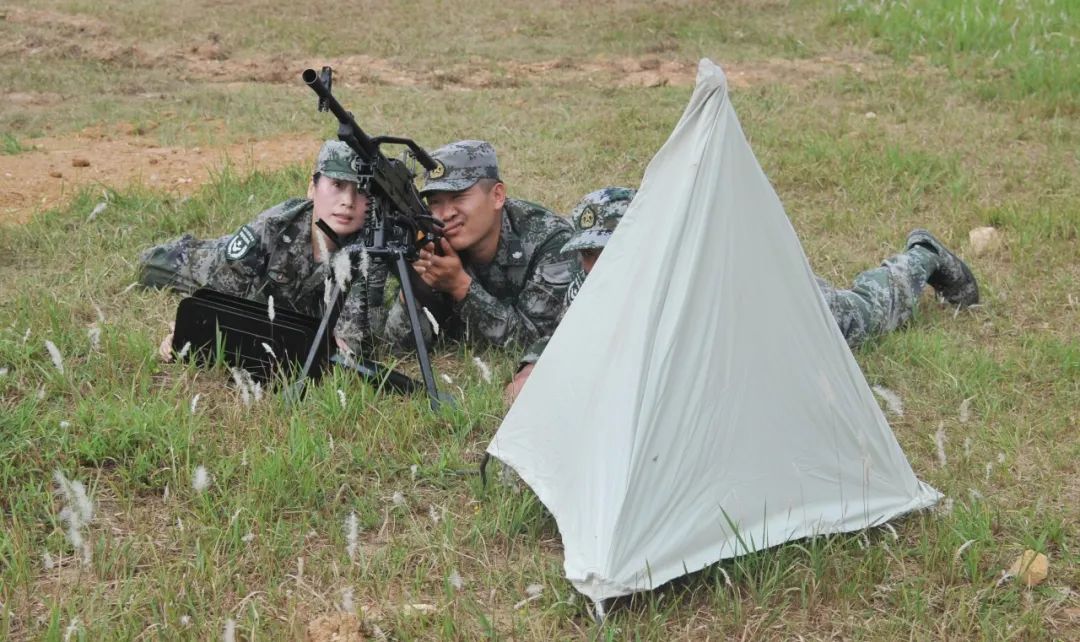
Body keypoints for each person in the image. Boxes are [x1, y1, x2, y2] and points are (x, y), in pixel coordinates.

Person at [503, 187, 980, 402]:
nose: (594, 265)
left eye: (607, 252)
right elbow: (576, 329)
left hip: (774, 300)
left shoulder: (684, 280)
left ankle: (922, 254)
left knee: (867, 313)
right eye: (587, 254)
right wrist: (535, 364)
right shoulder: (592, 278)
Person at [138, 140, 387, 359]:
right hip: (228, 267)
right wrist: (186, 330)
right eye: (337, 185)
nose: (348, 201)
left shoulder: (371, 248)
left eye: (361, 191)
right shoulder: (272, 228)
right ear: (312, 188)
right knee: (152, 266)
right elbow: (221, 298)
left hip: (285, 303)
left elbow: (354, 338)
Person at [383, 140, 576, 350]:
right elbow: (400, 348)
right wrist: (413, 287)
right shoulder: (434, 241)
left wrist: (460, 286)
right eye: (435, 202)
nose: (446, 214)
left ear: (497, 196)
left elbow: (535, 343)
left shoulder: (551, 242)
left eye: (459, 197)